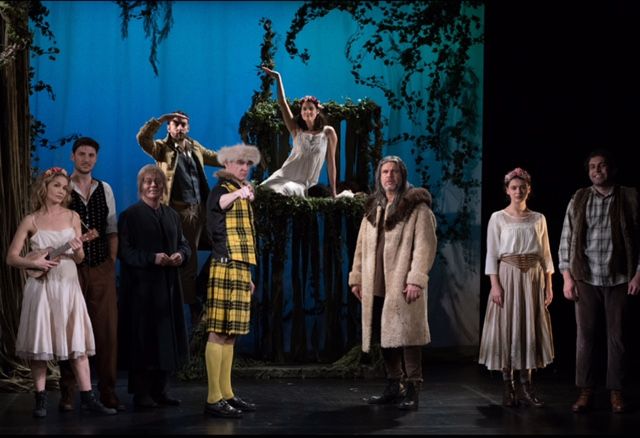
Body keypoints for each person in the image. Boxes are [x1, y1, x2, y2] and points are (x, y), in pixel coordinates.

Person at [5, 167, 117, 417]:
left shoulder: (73, 217)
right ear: (44, 187)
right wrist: (34, 262)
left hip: (67, 284)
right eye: (56, 186)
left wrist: (77, 248)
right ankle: (40, 400)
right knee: (40, 343)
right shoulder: (31, 220)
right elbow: (11, 257)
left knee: (76, 342)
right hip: (41, 287)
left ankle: (88, 397)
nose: (61, 191)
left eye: (65, 188)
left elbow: (80, 258)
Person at [348, 156, 437, 411]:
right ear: (379, 176)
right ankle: (393, 384)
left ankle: (413, 388)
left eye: (394, 171)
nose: (389, 176)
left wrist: (416, 279)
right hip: (376, 281)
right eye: (385, 172)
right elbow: (361, 246)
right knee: (385, 333)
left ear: (402, 175)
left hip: (402, 281)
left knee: (408, 334)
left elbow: (425, 246)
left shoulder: (417, 209)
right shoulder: (373, 208)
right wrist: (357, 277)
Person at [559, 148, 640, 414]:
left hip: (619, 277)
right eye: (593, 166)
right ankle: (586, 390)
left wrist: (638, 273)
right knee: (585, 338)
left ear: (611, 169)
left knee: (618, 338)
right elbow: (566, 238)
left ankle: (616, 391)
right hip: (586, 277)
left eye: (602, 165)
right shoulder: (579, 198)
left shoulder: (629, 196)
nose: (597, 170)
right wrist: (567, 277)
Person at [136, 111, 221, 330]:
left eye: (183, 124)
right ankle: (192, 307)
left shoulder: (194, 147)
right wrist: (161, 119)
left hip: (201, 211)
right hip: (180, 212)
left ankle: (197, 291)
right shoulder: (162, 148)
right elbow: (143, 139)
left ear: (188, 127)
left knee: (222, 247)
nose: (180, 128)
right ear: (169, 127)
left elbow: (215, 157)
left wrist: (238, 159)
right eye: (176, 124)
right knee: (188, 260)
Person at [478, 167, 554, 408]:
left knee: (528, 326)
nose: (518, 191)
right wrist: (495, 285)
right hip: (508, 274)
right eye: (514, 188)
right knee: (508, 327)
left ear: (529, 189)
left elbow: (545, 255)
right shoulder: (498, 218)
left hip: (532, 276)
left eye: (522, 187)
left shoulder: (538, 218)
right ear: (507, 190)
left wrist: (549, 285)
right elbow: (492, 254)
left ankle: (526, 386)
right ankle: (508, 385)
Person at [58, 137, 124, 412]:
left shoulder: (105, 189)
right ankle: (68, 392)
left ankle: (108, 391)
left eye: (91, 155)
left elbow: (112, 230)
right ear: (72, 157)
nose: (86, 159)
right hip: (69, 268)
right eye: (82, 154)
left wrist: (110, 262)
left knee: (106, 331)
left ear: (96, 159)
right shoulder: (62, 187)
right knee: (69, 329)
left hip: (100, 267)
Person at [117, 164, 191, 408]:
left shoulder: (172, 216)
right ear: (141, 185)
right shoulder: (130, 216)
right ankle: (142, 393)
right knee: (143, 340)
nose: (153, 185)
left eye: (157, 181)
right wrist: (152, 258)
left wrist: (181, 255)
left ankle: (161, 390)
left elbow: (184, 245)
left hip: (168, 288)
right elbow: (124, 252)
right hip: (141, 290)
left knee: (165, 340)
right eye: (148, 181)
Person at [203, 143, 260, 419]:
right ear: (226, 165)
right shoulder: (221, 190)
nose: (244, 167)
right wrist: (239, 193)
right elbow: (221, 204)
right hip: (224, 265)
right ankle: (213, 398)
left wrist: (247, 275)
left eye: (247, 163)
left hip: (239, 267)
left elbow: (245, 236)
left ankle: (226, 393)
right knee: (218, 330)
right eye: (238, 162)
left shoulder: (242, 191)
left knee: (231, 334)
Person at [259, 66, 338, 198]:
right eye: (304, 109)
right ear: (301, 113)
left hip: (302, 183)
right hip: (283, 176)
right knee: (262, 189)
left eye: (311, 108)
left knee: (286, 189)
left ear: (317, 111)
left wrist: (334, 192)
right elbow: (282, 103)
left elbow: (331, 163)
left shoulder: (328, 132)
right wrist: (278, 77)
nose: (307, 111)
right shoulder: (297, 131)